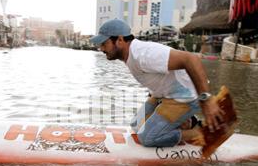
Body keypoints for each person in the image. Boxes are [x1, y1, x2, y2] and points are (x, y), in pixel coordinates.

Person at [90, 19, 225, 148]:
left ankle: (204, 133)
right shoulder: (131, 55)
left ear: (119, 40)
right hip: (165, 94)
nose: (101, 49)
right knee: (136, 125)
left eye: (104, 44)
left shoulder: (143, 54)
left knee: (147, 138)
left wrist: (207, 99)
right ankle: (188, 122)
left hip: (186, 97)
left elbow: (190, 59)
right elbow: (156, 76)